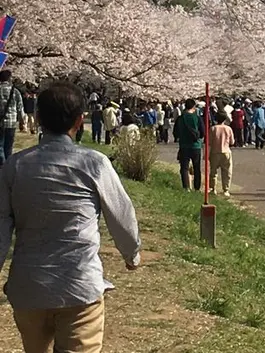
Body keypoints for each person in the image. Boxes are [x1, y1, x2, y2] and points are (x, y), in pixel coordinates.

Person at [0, 81, 140, 353]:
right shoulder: (94, 163)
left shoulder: (15, 166)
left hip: (28, 286)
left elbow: (1, 224)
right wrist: (131, 254)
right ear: (80, 120)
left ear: (38, 118)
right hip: (79, 285)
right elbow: (121, 214)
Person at [173, 98, 205, 191]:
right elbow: (202, 133)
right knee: (196, 167)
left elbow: (175, 133)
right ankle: (197, 187)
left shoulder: (180, 118)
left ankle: (186, 187)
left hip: (184, 146)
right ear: (194, 107)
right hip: (196, 146)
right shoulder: (197, 118)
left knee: (184, 167)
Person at [0, 70, 25, 166]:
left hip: (0, 122)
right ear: (9, 78)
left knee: (0, 146)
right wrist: (22, 121)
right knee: (9, 146)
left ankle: (2, 164)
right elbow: (20, 107)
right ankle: (8, 165)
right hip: (11, 122)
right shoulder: (15, 91)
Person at [210, 111, 234, 197]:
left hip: (214, 152)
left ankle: (213, 189)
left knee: (213, 172)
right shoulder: (228, 129)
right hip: (226, 151)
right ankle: (226, 190)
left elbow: (209, 142)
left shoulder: (213, 128)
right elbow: (232, 142)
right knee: (227, 172)